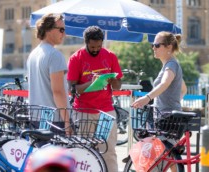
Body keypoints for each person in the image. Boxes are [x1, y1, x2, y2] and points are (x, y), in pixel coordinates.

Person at [67, 26, 123, 172]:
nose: (95, 49)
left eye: (99, 46)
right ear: (86, 42)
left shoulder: (110, 56)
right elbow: (72, 89)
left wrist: (112, 81)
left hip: (106, 111)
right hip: (84, 111)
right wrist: (91, 83)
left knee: (109, 151)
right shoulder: (76, 58)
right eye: (92, 46)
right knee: (84, 151)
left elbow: (118, 85)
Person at [27, 13, 70, 133]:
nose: (64, 34)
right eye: (61, 30)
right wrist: (67, 121)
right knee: (59, 152)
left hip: (36, 117)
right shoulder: (55, 55)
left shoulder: (33, 54)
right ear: (49, 30)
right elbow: (58, 92)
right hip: (54, 120)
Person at [132, 31, 187, 114]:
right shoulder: (169, 65)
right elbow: (184, 89)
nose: (153, 48)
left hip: (168, 119)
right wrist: (173, 102)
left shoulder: (171, 64)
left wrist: (147, 98)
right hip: (165, 116)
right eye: (153, 45)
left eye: (157, 45)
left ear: (169, 47)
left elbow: (164, 83)